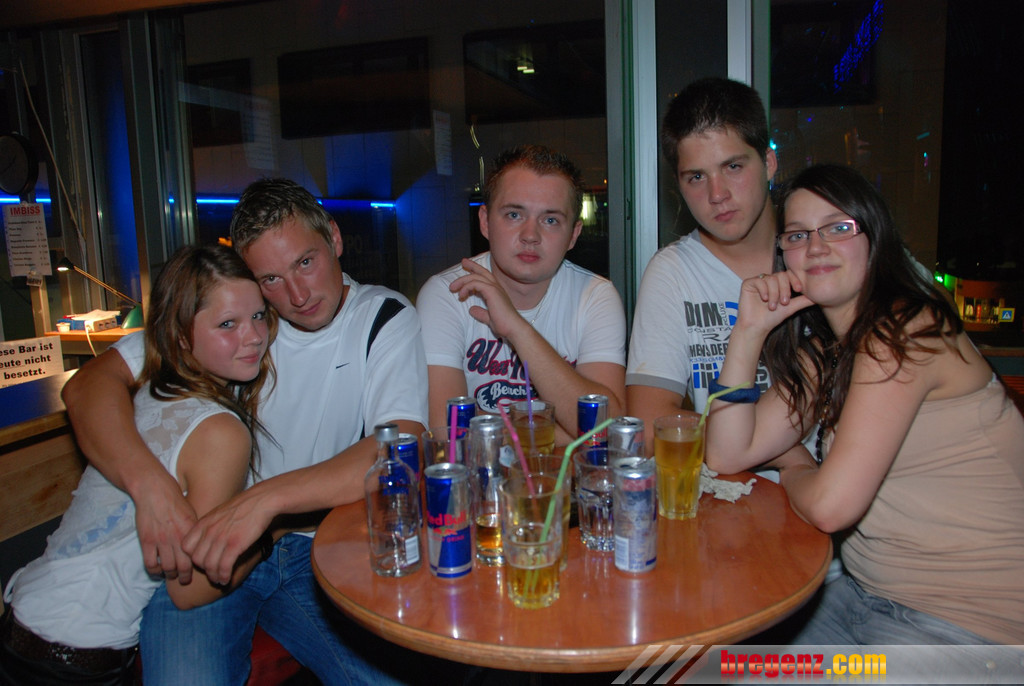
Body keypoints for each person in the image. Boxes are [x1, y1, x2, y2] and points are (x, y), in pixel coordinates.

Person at [59, 178, 429, 684]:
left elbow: (399, 447)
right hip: (212, 544)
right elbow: (87, 386)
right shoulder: (242, 320)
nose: (297, 294)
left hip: (312, 544)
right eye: (270, 278)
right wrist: (151, 487)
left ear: (335, 238)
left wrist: (265, 503)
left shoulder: (382, 316)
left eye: (305, 262)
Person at [705, 163, 1024, 646]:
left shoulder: (906, 329)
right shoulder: (827, 352)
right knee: (719, 666)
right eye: (798, 235)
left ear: (875, 239)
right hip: (865, 599)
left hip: (969, 626)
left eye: (838, 227)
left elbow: (830, 508)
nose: (816, 247)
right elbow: (726, 454)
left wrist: (796, 466)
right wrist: (748, 331)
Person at [2, 244, 276, 685]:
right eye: (228, 324)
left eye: (259, 316)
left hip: (22, 619)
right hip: (75, 661)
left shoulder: (148, 383)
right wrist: (272, 528)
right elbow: (189, 589)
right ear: (181, 336)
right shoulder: (220, 433)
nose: (255, 336)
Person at [416, 145, 626, 444]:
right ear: (485, 222)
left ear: (573, 234)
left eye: (550, 220)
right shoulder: (447, 294)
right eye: (514, 215)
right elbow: (447, 430)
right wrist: (563, 430)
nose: (530, 236)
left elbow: (608, 430)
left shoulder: (595, 297)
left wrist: (517, 329)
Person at [626, 77, 778, 451]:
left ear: (769, 163)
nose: (717, 194)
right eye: (696, 177)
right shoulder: (673, 272)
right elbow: (650, 423)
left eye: (733, 166)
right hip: (728, 484)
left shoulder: (823, 253)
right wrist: (784, 447)